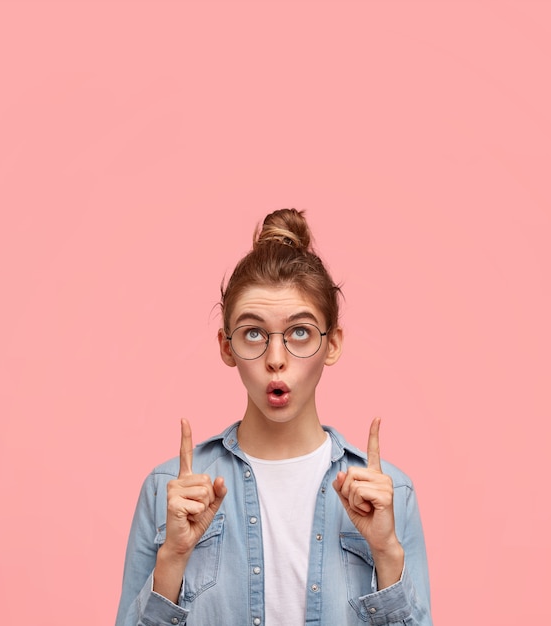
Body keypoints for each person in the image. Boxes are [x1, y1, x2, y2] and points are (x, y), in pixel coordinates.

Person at [116, 209, 432, 625]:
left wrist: (388, 553)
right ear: (227, 347)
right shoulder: (167, 492)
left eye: (300, 331)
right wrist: (172, 560)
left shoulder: (391, 495)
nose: (276, 359)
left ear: (332, 344)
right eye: (253, 334)